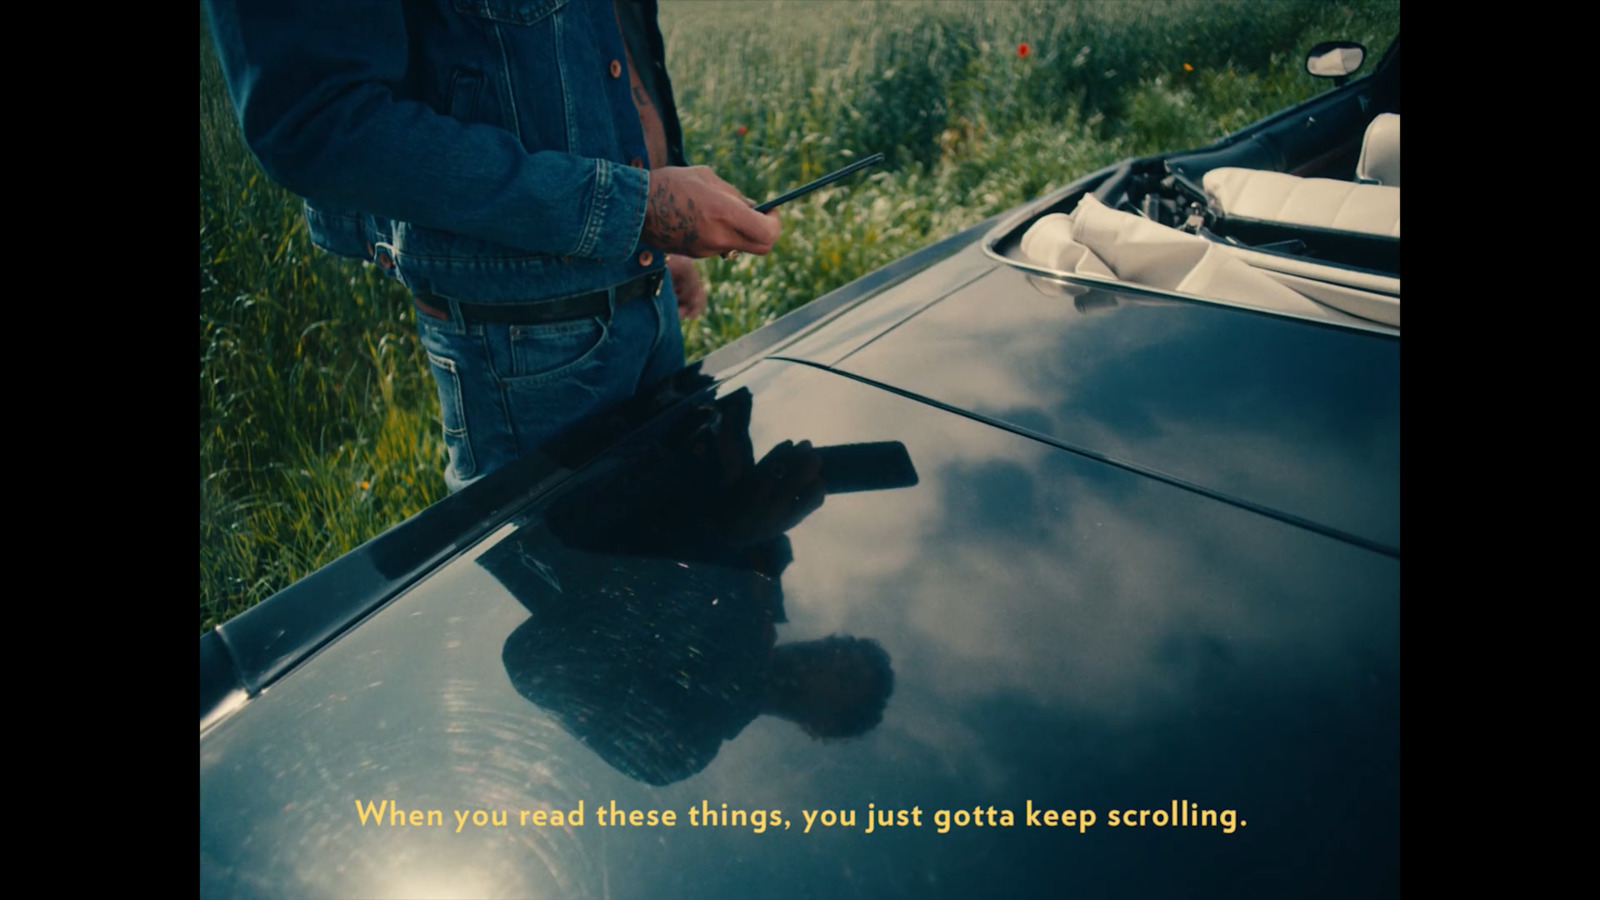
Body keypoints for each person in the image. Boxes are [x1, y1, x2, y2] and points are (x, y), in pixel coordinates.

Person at [203, 0, 782, 492]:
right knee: (571, 610)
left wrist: (656, 212)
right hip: (522, 348)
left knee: (682, 572)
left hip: (647, 289)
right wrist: (638, 209)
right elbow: (317, 123)